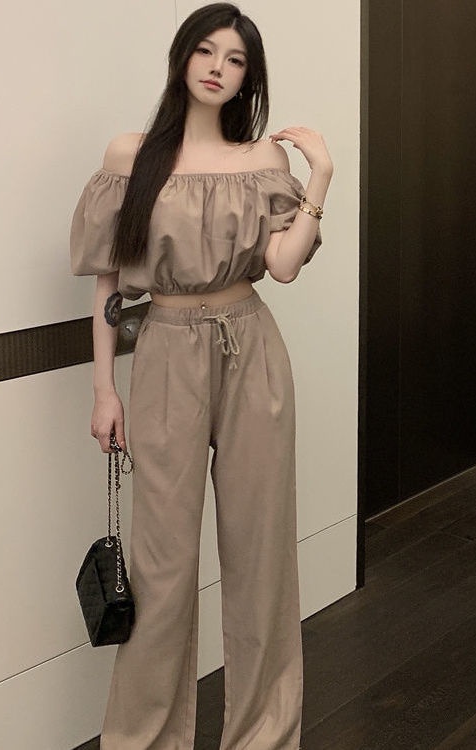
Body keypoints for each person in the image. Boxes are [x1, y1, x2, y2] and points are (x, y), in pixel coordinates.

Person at [69, 3, 332, 748]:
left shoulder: (263, 160)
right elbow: (110, 284)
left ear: (249, 77)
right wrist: (104, 389)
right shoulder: (131, 156)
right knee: (160, 566)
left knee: (261, 554)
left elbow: (283, 266)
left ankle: (264, 736)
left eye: (236, 59)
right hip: (164, 351)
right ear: (182, 57)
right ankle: (145, 738)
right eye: (207, 51)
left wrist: (321, 177)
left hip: (252, 346)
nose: (218, 67)